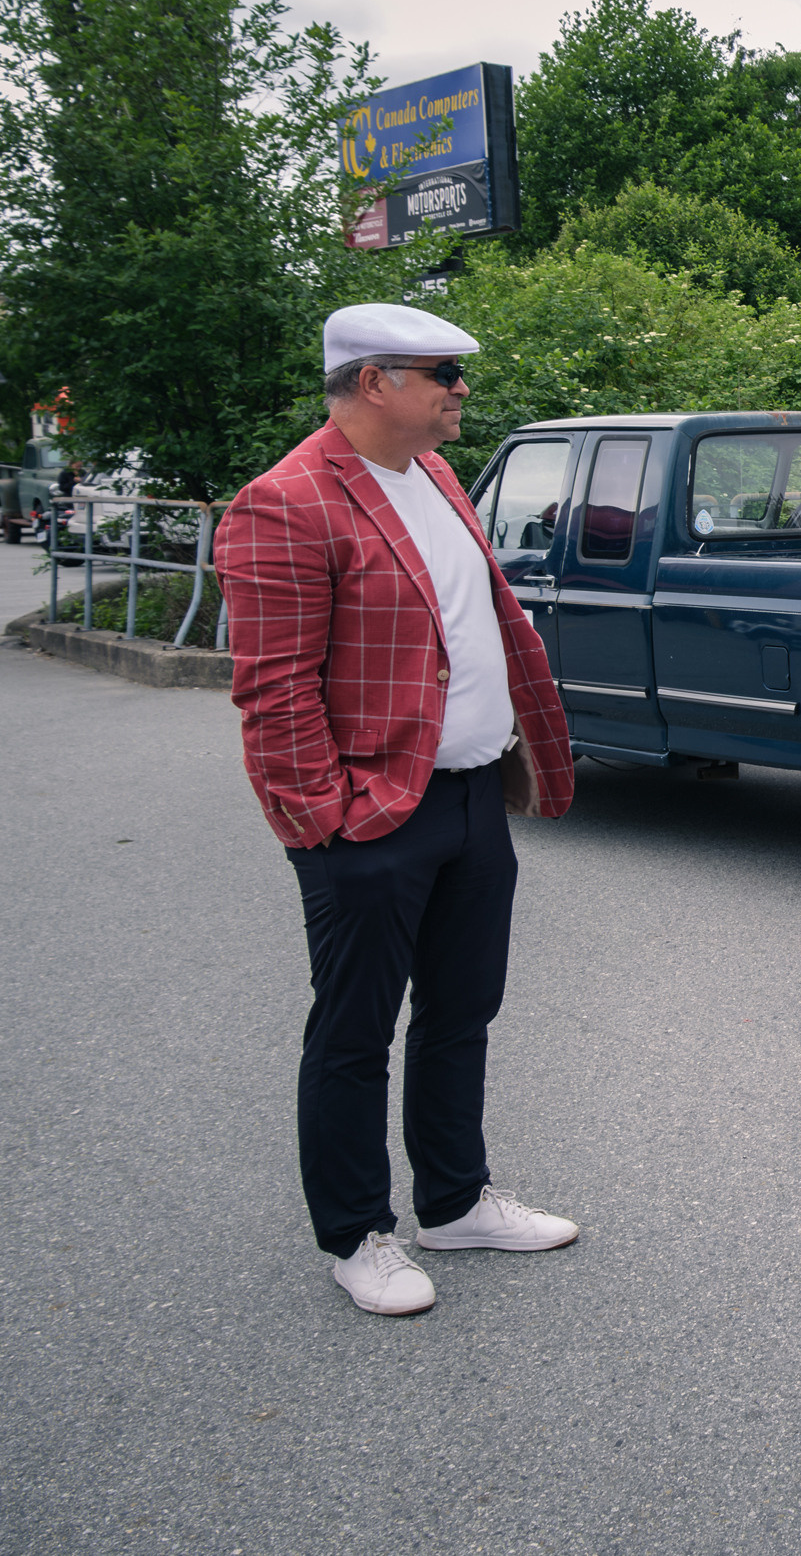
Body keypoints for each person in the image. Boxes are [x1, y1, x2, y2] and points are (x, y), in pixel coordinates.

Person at [214, 303, 579, 1317]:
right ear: (375, 383)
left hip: (471, 795)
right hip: (370, 817)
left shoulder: (437, 476)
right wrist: (325, 819)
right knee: (354, 1031)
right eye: (442, 374)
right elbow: (273, 691)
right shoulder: (286, 502)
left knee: (463, 1011)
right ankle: (355, 1234)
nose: (462, 389)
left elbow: (478, 626)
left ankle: (454, 1202)